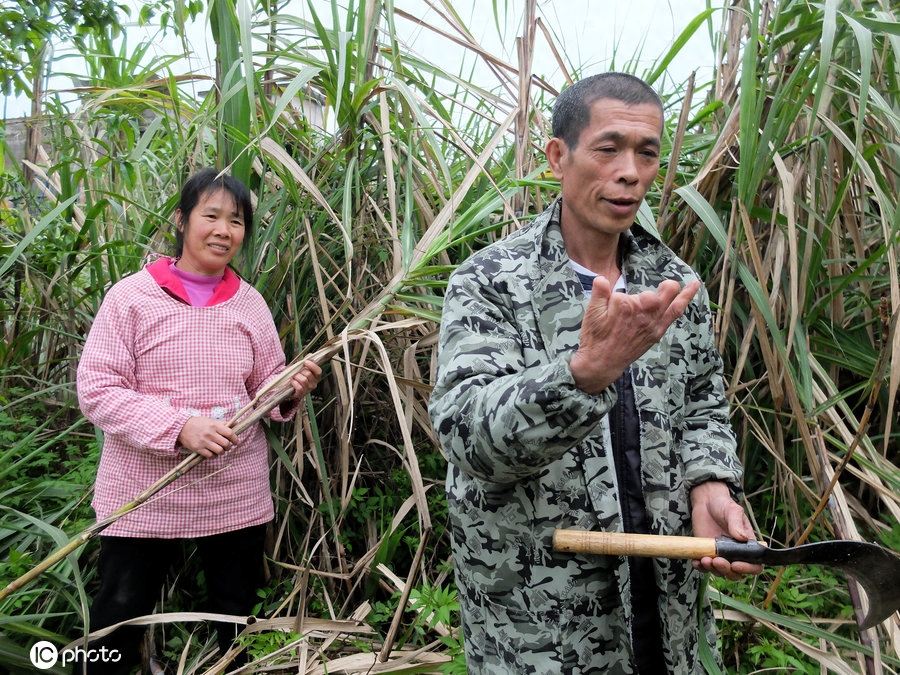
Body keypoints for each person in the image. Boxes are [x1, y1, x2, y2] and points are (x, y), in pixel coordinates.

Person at [427, 72, 762, 674]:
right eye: (609, 148)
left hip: (666, 606)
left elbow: (705, 403)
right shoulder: (491, 280)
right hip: (539, 625)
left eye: (647, 152)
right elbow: (466, 437)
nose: (631, 171)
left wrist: (710, 481)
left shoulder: (674, 282)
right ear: (559, 155)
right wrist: (583, 374)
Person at [75, 168, 322, 674]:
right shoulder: (131, 298)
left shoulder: (249, 303)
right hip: (144, 491)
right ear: (182, 220)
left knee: (236, 614)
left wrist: (290, 387)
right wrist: (179, 427)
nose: (223, 230)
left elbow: (265, 387)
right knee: (118, 612)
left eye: (236, 221)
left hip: (232, 492)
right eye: (210, 215)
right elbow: (97, 390)